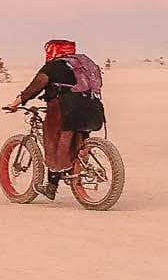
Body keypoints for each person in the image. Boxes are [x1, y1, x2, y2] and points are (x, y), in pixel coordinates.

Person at [8, 40, 104, 197]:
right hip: (92, 107)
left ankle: (51, 186)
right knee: (76, 140)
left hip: (65, 109)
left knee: (54, 141)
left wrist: (15, 103)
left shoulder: (52, 66)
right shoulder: (82, 65)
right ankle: (78, 168)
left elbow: (34, 88)